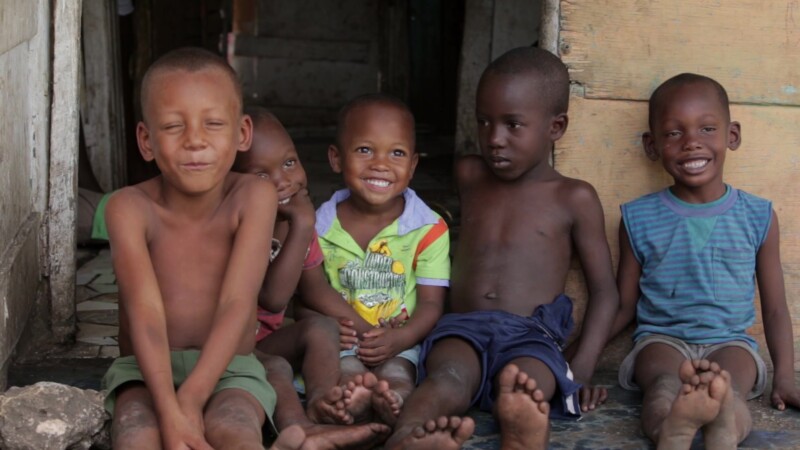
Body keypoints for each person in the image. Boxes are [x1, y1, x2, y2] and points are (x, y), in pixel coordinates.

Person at [383, 46, 620, 450]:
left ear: (556, 126)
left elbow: (605, 292)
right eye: (484, 122)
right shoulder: (470, 174)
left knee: (528, 388)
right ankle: (409, 437)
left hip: (531, 334)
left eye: (513, 124)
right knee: (447, 379)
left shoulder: (573, 197)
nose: (494, 139)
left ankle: (520, 435)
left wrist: (578, 370)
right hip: (463, 326)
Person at [100, 47, 305, 450]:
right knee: (137, 433)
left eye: (213, 123)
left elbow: (237, 302)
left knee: (234, 427)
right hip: (143, 371)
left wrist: (191, 399)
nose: (195, 141)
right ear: (146, 140)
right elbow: (145, 314)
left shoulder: (253, 197)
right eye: (173, 126)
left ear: (241, 133)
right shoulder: (128, 207)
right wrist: (171, 411)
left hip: (231, 367)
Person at [609, 73, 800, 449]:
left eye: (707, 128)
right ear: (652, 145)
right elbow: (623, 305)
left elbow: (776, 308)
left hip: (730, 342)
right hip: (661, 340)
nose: (692, 142)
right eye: (673, 133)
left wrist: (785, 377)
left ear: (732, 135)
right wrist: (576, 362)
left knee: (729, 390)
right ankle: (670, 431)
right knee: (662, 387)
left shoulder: (758, 216)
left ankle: (724, 430)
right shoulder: (637, 218)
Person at [231, 106, 390, 447]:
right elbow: (273, 299)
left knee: (322, 327)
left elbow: (315, 288)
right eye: (261, 175)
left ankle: (324, 401)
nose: (283, 181)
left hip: (264, 339)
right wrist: (303, 226)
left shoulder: (293, 221)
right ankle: (300, 428)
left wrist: (370, 332)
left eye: (289, 162)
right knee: (275, 367)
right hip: (227, 345)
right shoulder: (239, 226)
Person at [299, 93, 451, 426]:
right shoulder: (317, 226)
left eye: (396, 153)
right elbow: (307, 294)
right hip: (343, 342)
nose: (380, 164)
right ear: (336, 159)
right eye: (365, 149)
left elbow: (431, 304)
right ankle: (355, 403)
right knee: (347, 373)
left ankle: (392, 402)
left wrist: (402, 338)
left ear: (412, 166)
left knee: (398, 374)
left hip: (400, 340)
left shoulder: (428, 228)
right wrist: (334, 328)